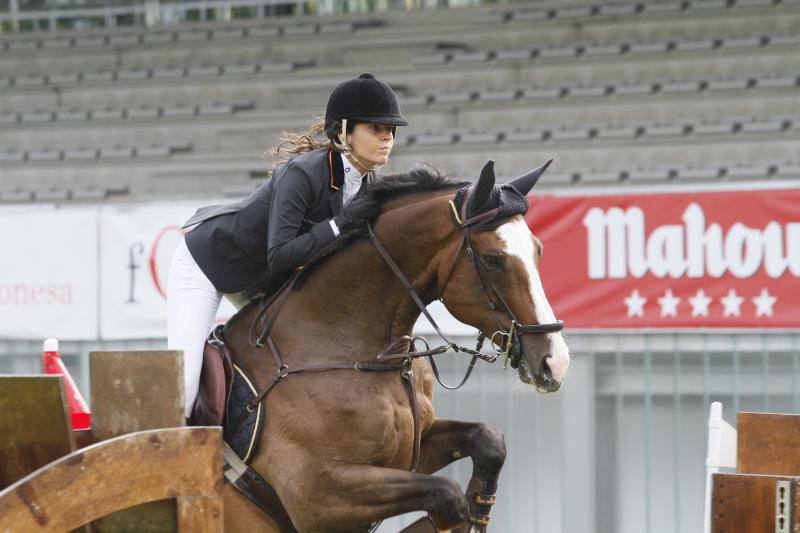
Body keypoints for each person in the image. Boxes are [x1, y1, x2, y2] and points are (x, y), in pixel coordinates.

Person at [167, 73, 408, 417]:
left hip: (259, 280)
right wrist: (338, 225)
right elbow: (280, 255)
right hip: (209, 264)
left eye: (391, 130)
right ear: (343, 132)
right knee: (184, 388)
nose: (387, 137)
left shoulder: (368, 184)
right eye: (375, 128)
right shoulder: (304, 173)